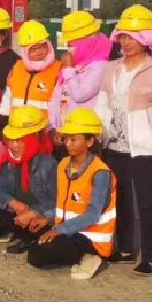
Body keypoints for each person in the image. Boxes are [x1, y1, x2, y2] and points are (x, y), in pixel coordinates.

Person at [93, 4, 152, 275]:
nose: (127, 42)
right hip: (113, 144)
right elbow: (102, 105)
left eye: (134, 37)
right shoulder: (111, 68)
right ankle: (126, 248)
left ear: (147, 39)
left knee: (146, 201)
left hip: (143, 146)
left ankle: (150, 256)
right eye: (124, 36)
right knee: (120, 198)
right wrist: (98, 137)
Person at [26, 108, 117, 281]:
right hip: (68, 230)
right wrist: (47, 219)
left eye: (74, 139)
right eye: (67, 138)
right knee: (31, 233)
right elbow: (65, 204)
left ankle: (89, 256)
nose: (68, 143)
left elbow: (92, 215)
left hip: (90, 238)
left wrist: (57, 230)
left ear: (90, 141)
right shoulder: (63, 165)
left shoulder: (100, 173)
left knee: (37, 256)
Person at [0, 105, 56, 248]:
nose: (13, 145)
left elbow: (55, 201)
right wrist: (13, 203)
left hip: (37, 214)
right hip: (14, 212)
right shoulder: (9, 161)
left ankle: (25, 235)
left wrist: (32, 213)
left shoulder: (48, 164)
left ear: (35, 138)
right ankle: (16, 231)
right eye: (11, 140)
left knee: (39, 231)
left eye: (19, 140)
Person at [50, 11, 111, 155]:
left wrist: (69, 69)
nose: (69, 48)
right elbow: (56, 97)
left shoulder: (99, 66)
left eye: (72, 43)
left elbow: (80, 94)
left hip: (83, 137)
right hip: (65, 132)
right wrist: (54, 126)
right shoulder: (73, 65)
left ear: (86, 42)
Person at [0, 20, 62, 127]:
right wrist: (3, 117)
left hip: (44, 129)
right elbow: (8, 95)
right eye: (33, 49)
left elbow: (61, 104)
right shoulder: (17, 67)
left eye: (42, 47)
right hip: (17, 127)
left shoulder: (58, 69)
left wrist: (55, 128)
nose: (39, 52)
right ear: (25, 51)